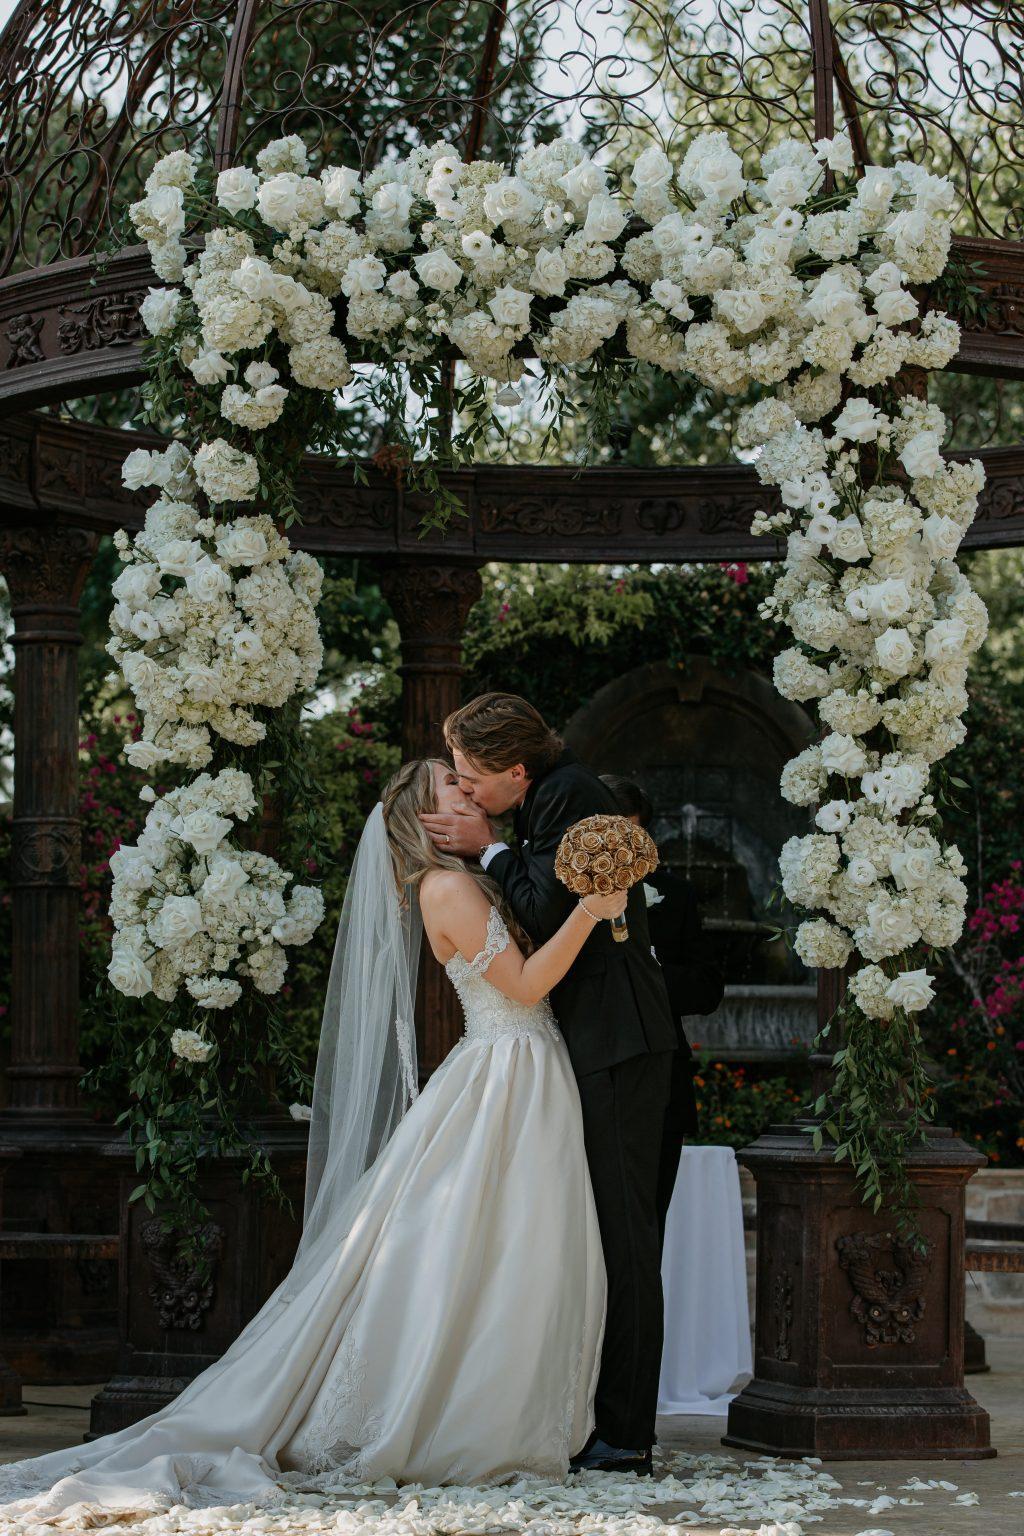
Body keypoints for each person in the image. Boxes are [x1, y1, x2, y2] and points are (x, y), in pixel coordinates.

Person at [0, 759, 626, 1521]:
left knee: (516, 1251)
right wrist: (593, 912)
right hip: (507, 1071)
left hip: (523, 1070)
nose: (466, 793)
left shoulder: (472, 879)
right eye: (450, 789)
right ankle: (459, 1419)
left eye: (465, 784)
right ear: (421, 821)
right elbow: (526, 988)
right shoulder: (448, 888)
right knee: (496, 1249)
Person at [419, 695, 678, 1477]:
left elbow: (540, 905)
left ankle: (627, 1433)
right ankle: (593, 1411)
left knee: (627, 1237)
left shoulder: (566, 795)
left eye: (471, 777)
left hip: (616, 1041)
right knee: (602, 1232)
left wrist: (489, 850)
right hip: (590, 1039)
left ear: (517, 772)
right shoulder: (547, 795)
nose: (466, 792)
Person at [599, 774, 725, 1249]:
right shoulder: (556, 890)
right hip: (579, 1077)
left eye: (630, 836)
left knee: (646, 1233)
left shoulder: (677, 896)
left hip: (662, 1086)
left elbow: (708, 987)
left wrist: (646, 973)